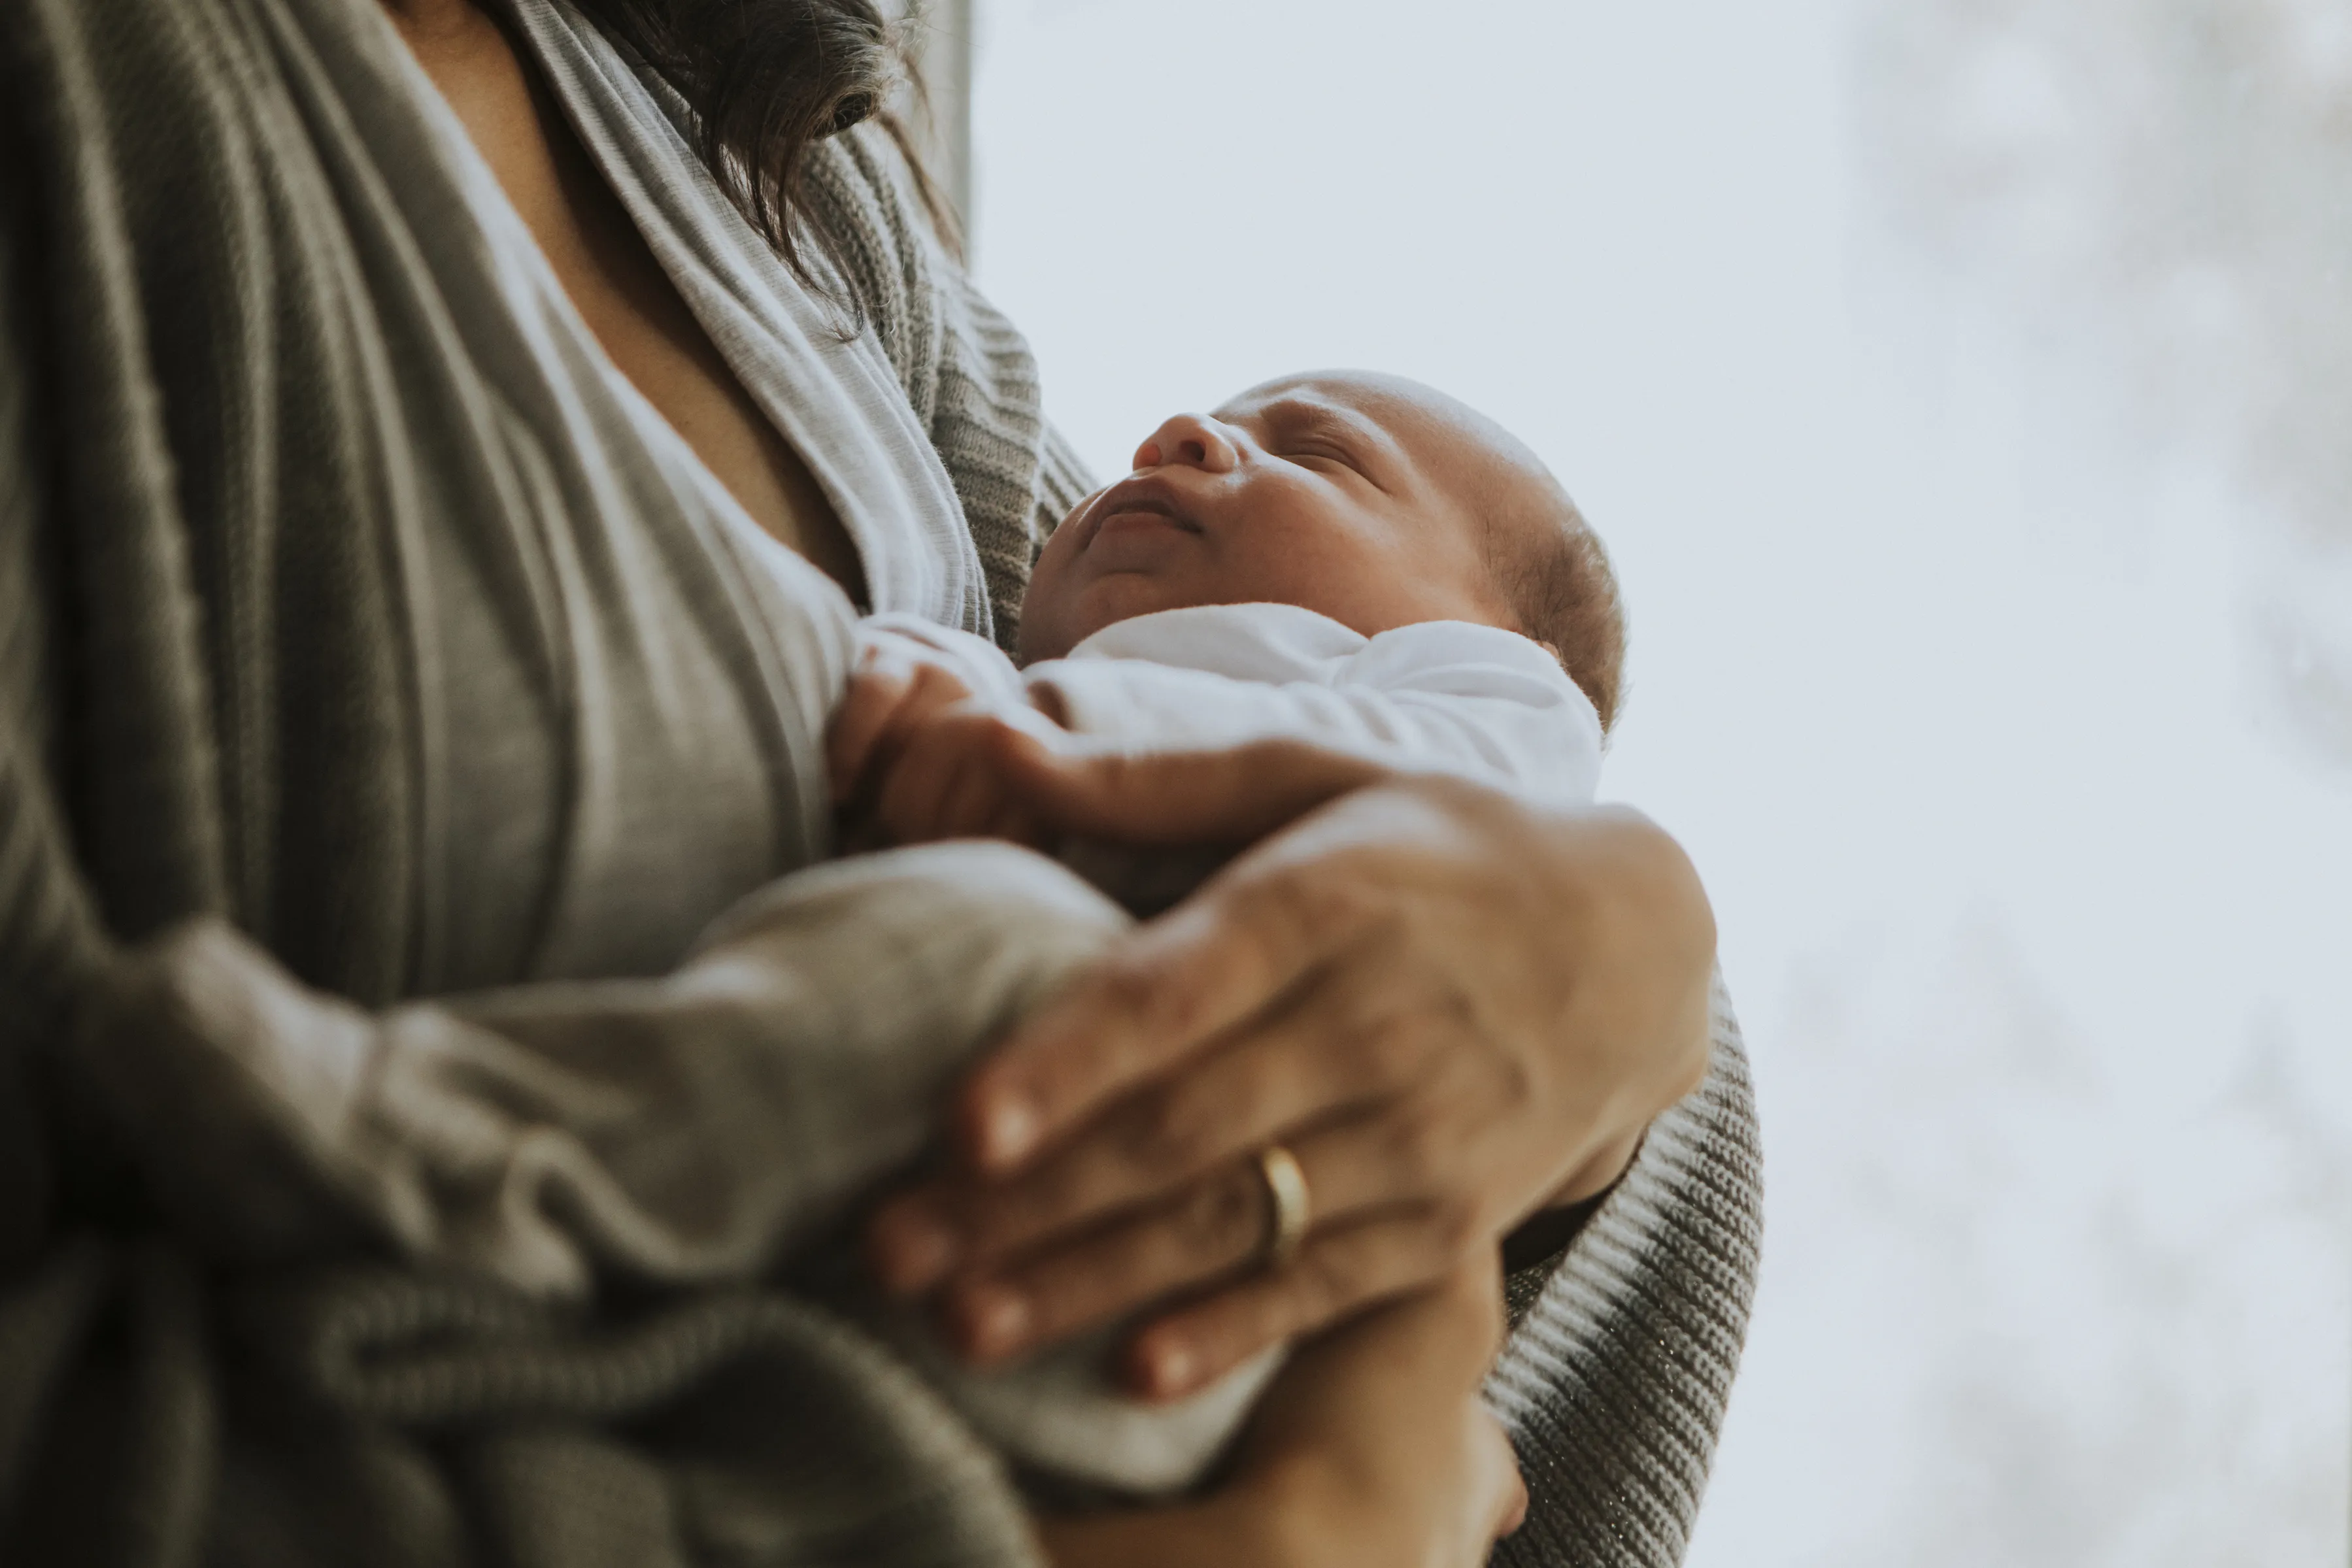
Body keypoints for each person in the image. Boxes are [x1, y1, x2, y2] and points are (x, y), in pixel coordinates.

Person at [0, 1, 1762, 1565]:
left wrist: (1624, 947)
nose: (1182, 440)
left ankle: (461, 1144)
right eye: (1214, 419)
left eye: (1314, 447)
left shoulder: (764, 164)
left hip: (1124, 1219)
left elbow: (1667, 1081)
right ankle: (466, 1154)